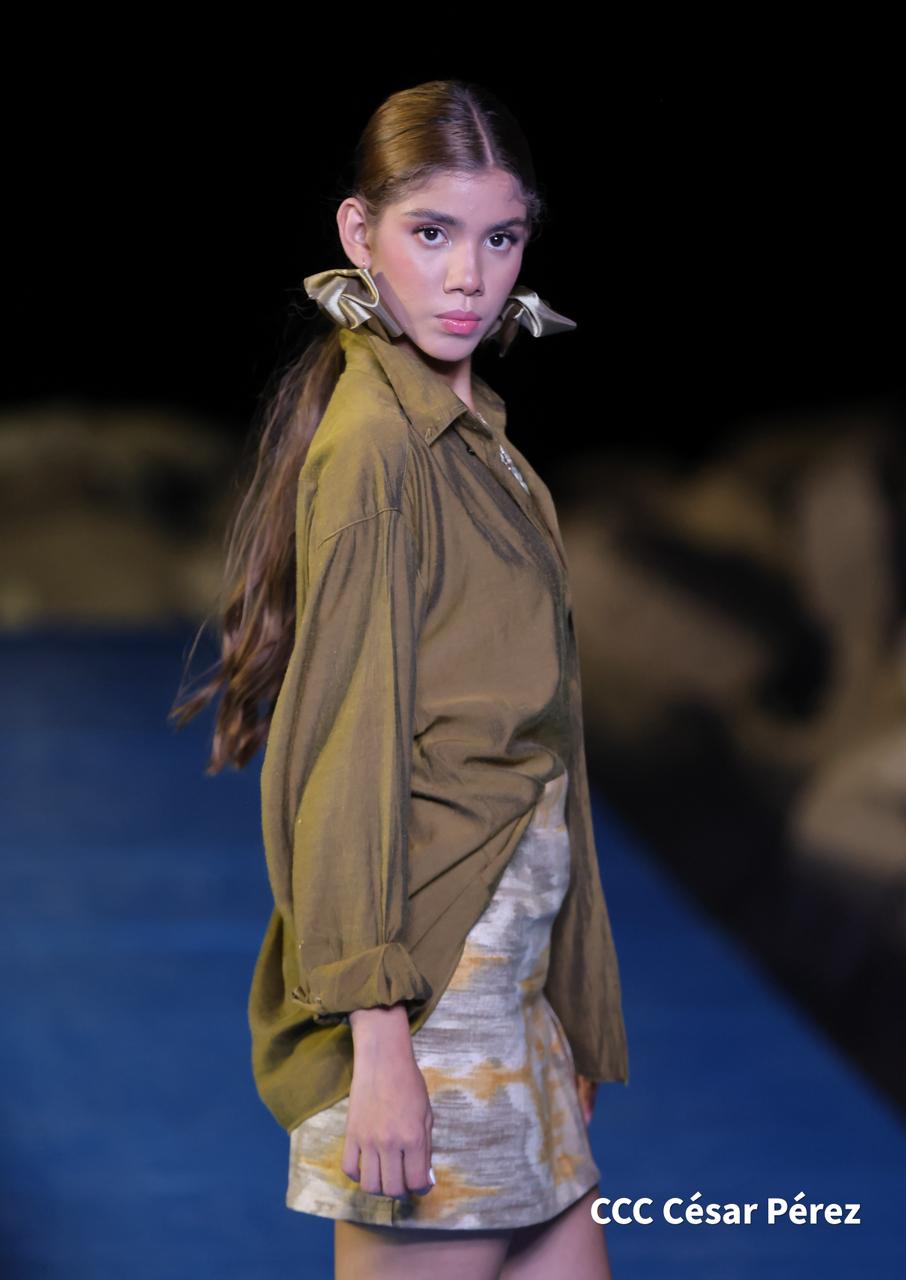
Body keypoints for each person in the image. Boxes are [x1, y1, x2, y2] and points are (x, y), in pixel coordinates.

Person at [171, 78, 630, 1280]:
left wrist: (562, 1001)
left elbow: (535, 744)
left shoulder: (471, 431)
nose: (469, 275)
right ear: (358, 232)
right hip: (432, 992)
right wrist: (377, 1044)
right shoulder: (381, 446)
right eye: (431, 232)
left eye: (500, 237)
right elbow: (344, 756)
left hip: (507, 975)